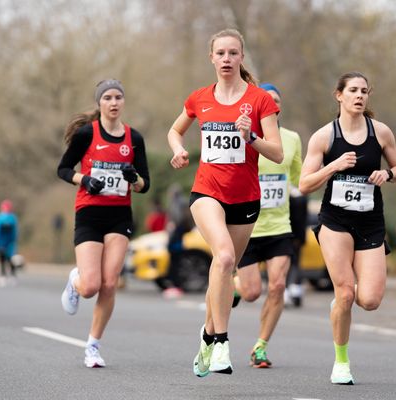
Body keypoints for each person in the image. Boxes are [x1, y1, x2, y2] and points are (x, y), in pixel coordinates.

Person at [167, 29, 283, 377]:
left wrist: (251, 137)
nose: (227, 59)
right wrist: (178, 150)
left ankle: (206, 333)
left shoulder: (261, 100)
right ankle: (220, 343)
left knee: (223, 270)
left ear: (241, 57)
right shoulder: (199, 98)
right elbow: (175, 131)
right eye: (221, 53)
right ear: (212, 58)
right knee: (226, 257)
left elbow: (276, 153)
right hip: (207, 192)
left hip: (245, 198)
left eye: (234, 53)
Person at [299, 72, 396, 385]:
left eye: (364, 91)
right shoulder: (324, 137)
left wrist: (388, 175)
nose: (359, 96)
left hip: (371, 222)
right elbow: (304, 184)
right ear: (339, 95)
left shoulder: (381, 132)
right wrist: (333, 166)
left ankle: (341, 303)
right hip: (335, 221)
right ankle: (341, 361)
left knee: (370, 300)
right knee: (345, 293)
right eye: (353, 91)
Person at [57, 79, 150, 368]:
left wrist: (133, 177)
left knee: (110, 284)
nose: (113, 102)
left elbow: (144, 185)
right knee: (90, 287)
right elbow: (62, 169)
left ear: (123, 102)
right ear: (99, 103)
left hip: (119, 216)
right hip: (89, 213)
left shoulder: (134, 139)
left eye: (118, 97)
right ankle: (75, 282)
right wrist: (84, 180)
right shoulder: (87, 134)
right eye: (107, 97)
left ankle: (93, 346)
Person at [232, 82, 301, 368]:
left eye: (275, 99)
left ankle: (260, 346)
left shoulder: (292, 139)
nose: (270, 103)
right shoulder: (243, 136)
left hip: (278, 227)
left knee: (278, 286)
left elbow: (297, 177)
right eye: (265, 99)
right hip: (248, 227)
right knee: (251, 293)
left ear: (278, 106)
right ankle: (234, 288)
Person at [0, 199, 19, 287]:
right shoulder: (0, 217)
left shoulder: (12, 218)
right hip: (2, 242)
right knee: (3, 260)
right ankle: (3, 276)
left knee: (10, 260)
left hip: (9, 242)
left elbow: (14, 232)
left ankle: (11, 276)